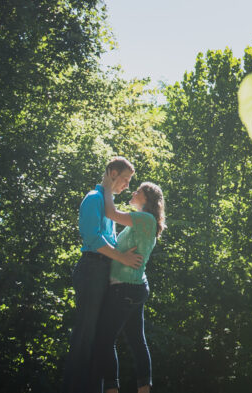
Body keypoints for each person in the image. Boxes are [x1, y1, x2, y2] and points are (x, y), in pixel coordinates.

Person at [63, 157, 143, 393]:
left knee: (100, 339)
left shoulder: (108, 205)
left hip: (104, 271)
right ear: (112, 173)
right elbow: (92, 238)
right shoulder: (94, 198)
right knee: (85, 334)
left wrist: (125, 255)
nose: (127, 186)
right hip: (91, 270)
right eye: (125, 179)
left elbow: (110, 242)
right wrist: (123, 258)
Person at [94, 181, 165, 393]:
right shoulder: (141, 222)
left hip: (124, 289)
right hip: (133, 287)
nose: (133, 192)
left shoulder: (145, 219)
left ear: (147, 198)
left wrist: (107, 187)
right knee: (136, 341)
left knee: (104, 340)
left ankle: (111, 389)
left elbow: (110, 212)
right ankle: (143, 389)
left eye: (138, 191)